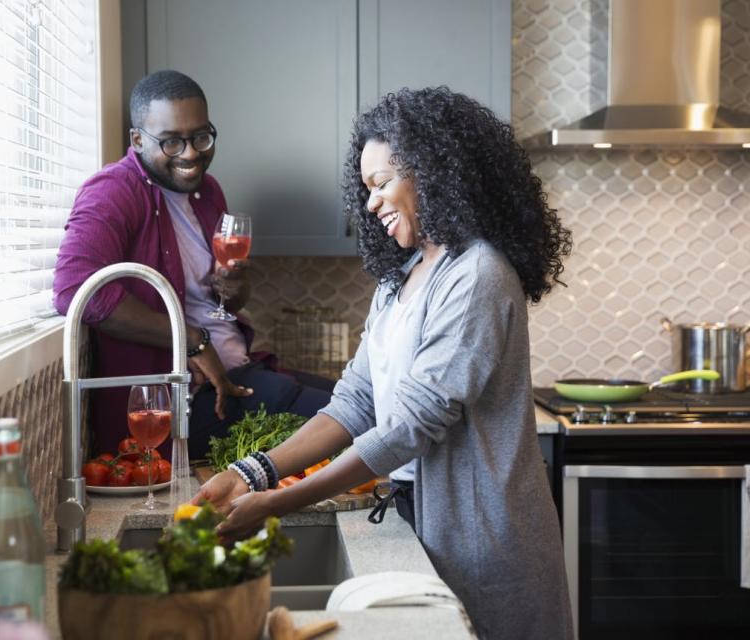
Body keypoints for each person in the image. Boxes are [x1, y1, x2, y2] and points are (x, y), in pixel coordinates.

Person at [192, 86, 575, 640]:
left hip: (482, 537)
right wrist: (249, 472)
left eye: (381, 183)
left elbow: (409, 427)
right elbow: (354, 403)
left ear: (435, 171)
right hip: (417, 524)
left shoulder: (478, 276)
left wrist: (277, 502)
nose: (370, 203)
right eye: (366, 187)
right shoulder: (400, 279)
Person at [53, 70, 333, 460]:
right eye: (171, 142)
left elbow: (222, 301)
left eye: (201, 137)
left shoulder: (206, 190)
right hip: (185, 403)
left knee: (357, 398)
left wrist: (235, 291)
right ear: (137, 140)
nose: (190, 153)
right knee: (358, 418)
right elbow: (74, 289)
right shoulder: (113, 191)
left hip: (241, 371)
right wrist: (191, 339)